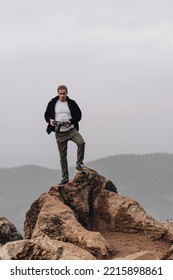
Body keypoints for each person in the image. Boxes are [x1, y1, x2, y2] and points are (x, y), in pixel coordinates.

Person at [44, 85, 85, 186]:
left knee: (81, 142)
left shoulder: (71, 103)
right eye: (60, 93)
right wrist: (50, 121)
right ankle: (65, 178)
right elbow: (46, 115)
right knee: (63, 156)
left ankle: (79, 164)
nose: (62, 95)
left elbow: (79, 115)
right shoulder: (53, 103)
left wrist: (71, 121)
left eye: (64, 93)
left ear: (67, 93)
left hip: (71, 130)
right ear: (58, 93)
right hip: (59, 133)